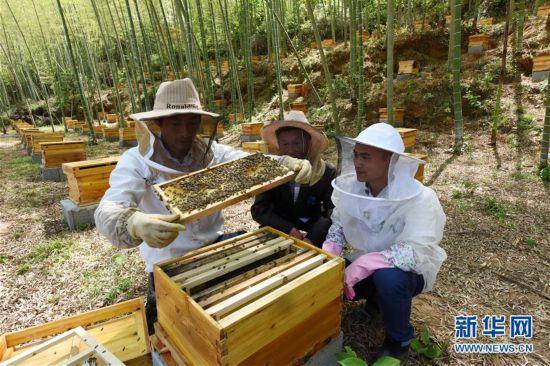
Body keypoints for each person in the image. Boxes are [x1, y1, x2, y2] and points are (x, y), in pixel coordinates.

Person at [94, 78, 316, 331]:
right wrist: (132, 222)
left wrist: (283, 163)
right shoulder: (135, 162)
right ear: (158, 124)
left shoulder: (213, 153)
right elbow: (108, 207)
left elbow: (250, 162)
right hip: (169, 261)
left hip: (215, 247)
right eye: (175, 123)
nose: (185, 132)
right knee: (169, 332)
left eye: (192, 122)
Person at [322, 123, 446, 364]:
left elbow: (417, 249)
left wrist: (368, 263)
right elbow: (338, 226)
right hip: (366, 263)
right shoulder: (353, 189)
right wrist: (329, 256)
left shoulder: (421, 199)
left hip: (407, 272)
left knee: (388, 279)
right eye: (356, 155)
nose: (357, 162)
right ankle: (376, 302)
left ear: (390, 161)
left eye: (366, 157)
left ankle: (398, 341)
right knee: (327, 279)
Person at [251, 111, 335, 247]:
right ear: (278, 144)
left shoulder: (326, 172)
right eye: (285, 144)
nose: (290, 150)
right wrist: (288, 229)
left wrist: (312, 238)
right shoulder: (270, 169)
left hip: (313, 234)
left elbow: (331, 211)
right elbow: (259, 210)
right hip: (277, 229)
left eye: (296, 143)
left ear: (309, 143)